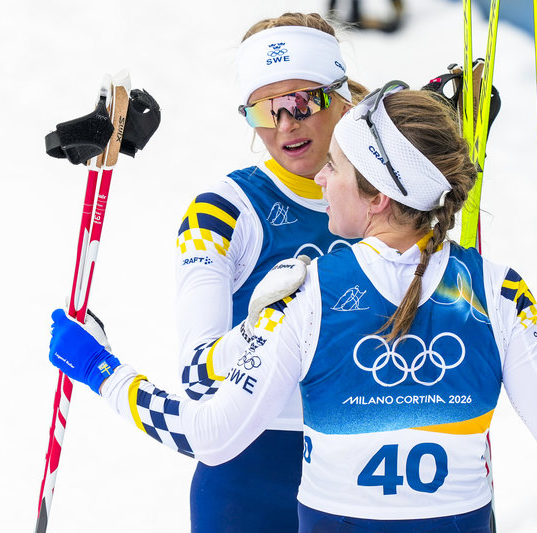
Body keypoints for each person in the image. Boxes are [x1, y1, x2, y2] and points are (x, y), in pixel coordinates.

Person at [49, 82, 537, 532]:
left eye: (337, 169)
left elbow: (211, 434)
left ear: (377, 198)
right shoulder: (499, 292)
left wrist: (101, 369)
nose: (320, 177)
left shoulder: (301, 295)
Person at [173, 12, 366, 532]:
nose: (285, 124)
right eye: (264, 108)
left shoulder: (388, 196)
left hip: (365, 473)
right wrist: (268, 326)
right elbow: (195, 374)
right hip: (248, 479)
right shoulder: (222, 210)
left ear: (340, 95)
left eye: (303, 101)